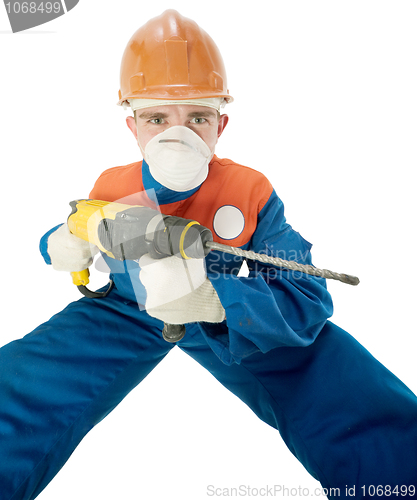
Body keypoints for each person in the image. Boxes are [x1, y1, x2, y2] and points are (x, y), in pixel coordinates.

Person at [0, 9, 416, 500]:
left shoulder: (248, 190)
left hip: (230, 318)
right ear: (132, 126)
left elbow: (304, 289)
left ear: (221, 123)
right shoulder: (113, 186)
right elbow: (81, 221)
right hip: (123, 310)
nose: (178, 135)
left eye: (197, 117)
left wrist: (214, 299)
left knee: (346, 388)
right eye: (157, 118)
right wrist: (60, 240)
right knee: (20, 386)